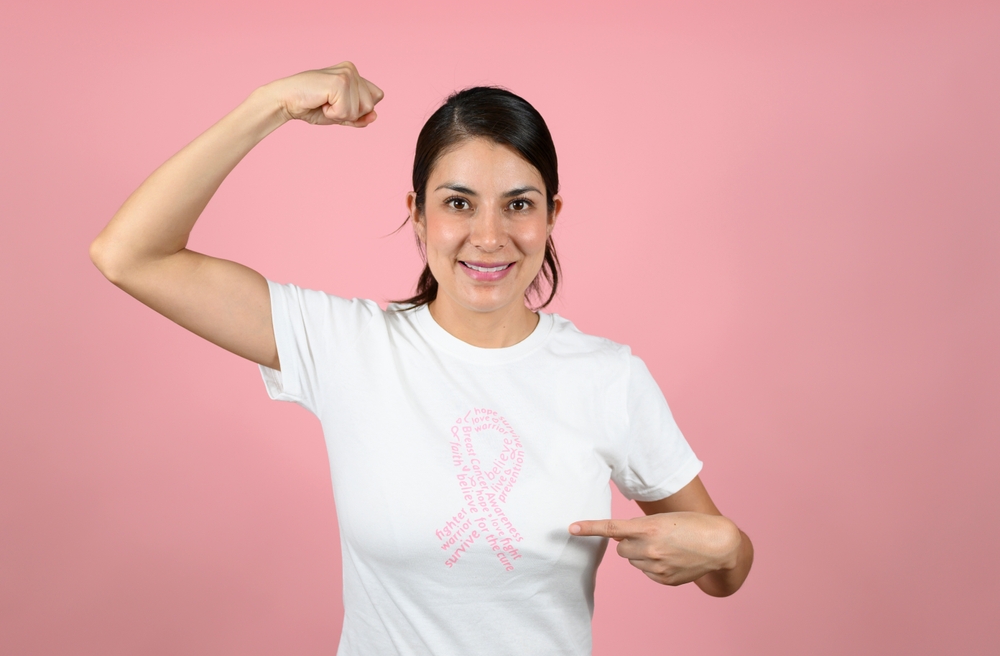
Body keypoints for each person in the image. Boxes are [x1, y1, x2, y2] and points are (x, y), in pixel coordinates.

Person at [90, 61, 753, 655]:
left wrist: (726, 545)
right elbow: (129, 254)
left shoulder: (607, 377)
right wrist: (269, 103)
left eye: (517, 204)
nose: (488, 237)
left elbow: (726, 567)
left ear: (551, 215)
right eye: (458, 202)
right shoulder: (348, 345)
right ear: (417, 214)